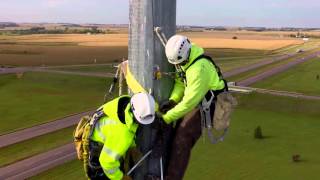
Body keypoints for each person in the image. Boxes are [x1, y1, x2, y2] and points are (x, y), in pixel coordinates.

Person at [160, 35, 228, 180]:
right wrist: (172, 100)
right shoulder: (186, 59)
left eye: (180, 62)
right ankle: (163, 169)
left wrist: (166, 117)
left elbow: (189, 102)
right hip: (198, 100)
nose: (179, 65)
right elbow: (180, 82)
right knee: (173, 130)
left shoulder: (198, 70)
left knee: (183, 136)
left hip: (210, 105)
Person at [75, 93, 156, 180]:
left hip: (95, 136)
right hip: (98, 152)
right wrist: (121, 177)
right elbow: (107, 162)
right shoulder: (123, 133)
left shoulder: (124, 103)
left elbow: (130, 126)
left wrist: (132, 146)